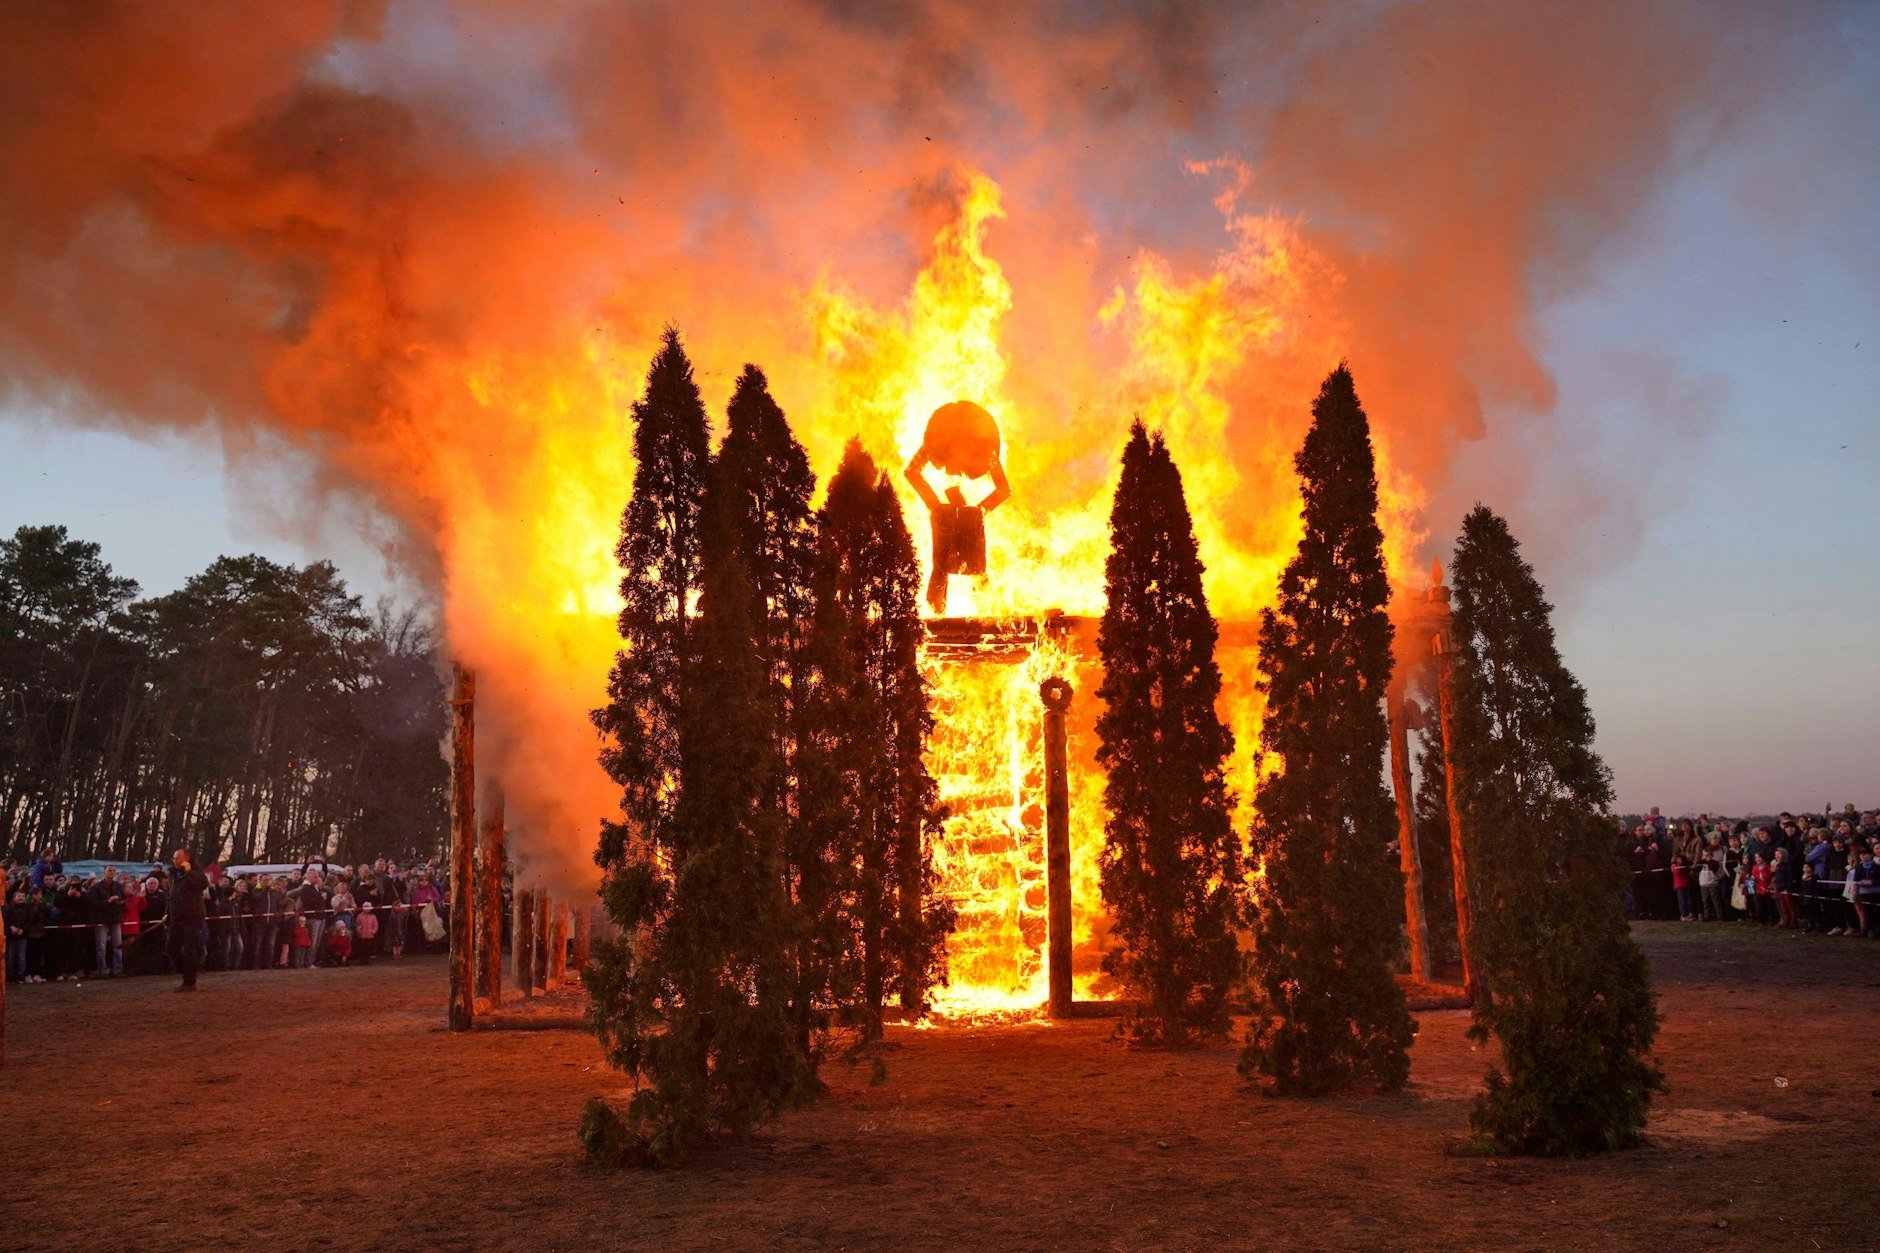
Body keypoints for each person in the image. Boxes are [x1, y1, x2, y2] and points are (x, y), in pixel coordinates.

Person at [165, 849, 210, 992]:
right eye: (174, 858)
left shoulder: (195, 871)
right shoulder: (172, 873)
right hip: (177, 916)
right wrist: (167, 913)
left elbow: (203, 884)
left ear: (186, 859)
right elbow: (172, 895)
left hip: (193, 916)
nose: (175, 861)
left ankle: (189, 982)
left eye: (178, 858)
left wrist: (189, 872)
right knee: (171, 948)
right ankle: (188, 972)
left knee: (189, 949)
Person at [88, 865, 127, 976]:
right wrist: (107, 901)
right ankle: (102, 970)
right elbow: (92, 903)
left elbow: (124, 900)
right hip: (102, 919)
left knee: (118, 946)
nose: (112, 873)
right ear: (104, 872)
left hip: (115, 918)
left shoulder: (119, 886)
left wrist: (121, 903)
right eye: (110, 870)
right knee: (101, 947)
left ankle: (118, 970)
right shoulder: (96, 887)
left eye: (114, 871)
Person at [1671, 855, 1697, 923]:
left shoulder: (1685, 866)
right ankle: (1683, 915)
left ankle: (1690, 913)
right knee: (1682, 901)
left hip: (1686, 885)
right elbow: (1677, 872)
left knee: (1689, 900)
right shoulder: (1675, 867)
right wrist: (1680, 865)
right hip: (1679, 886)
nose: (1679, 860)